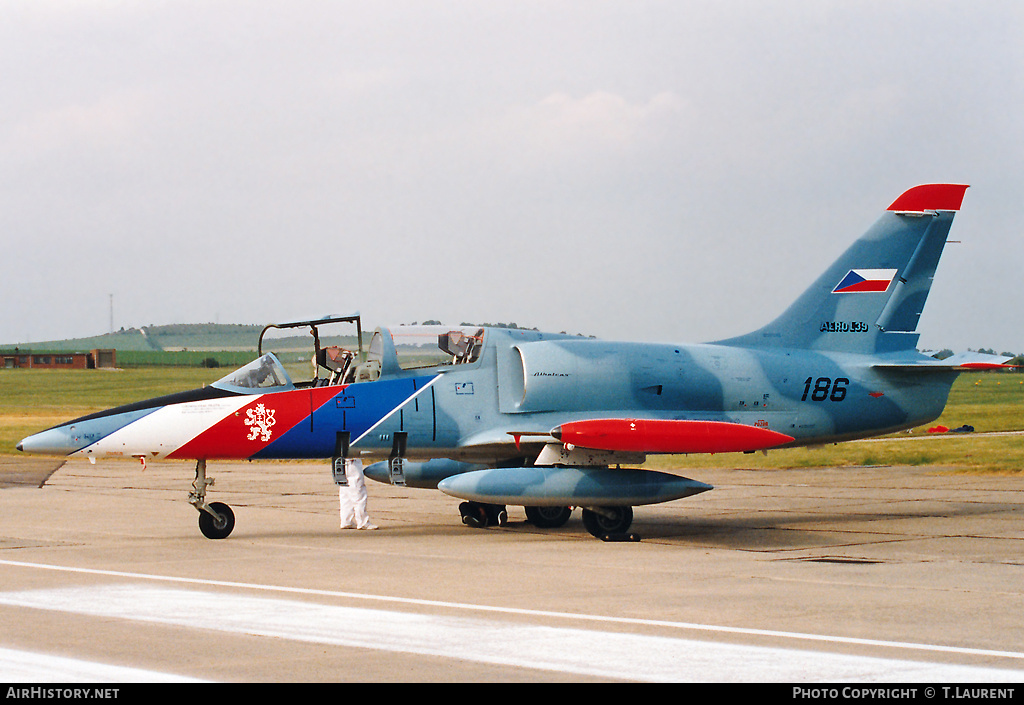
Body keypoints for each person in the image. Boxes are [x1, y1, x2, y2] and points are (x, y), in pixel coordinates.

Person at [339, 458, 377, 530]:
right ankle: (363, 522)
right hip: (352, 461)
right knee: (358, 493)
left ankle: (346, 520)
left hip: (340, 461)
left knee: (345, 493)